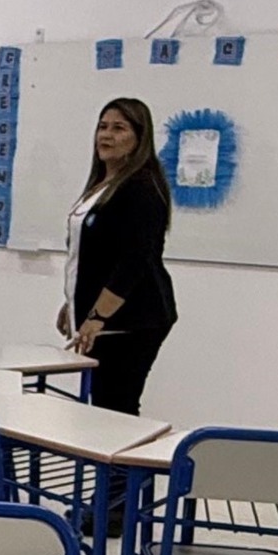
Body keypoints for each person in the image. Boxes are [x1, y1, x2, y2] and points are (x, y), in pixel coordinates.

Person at [56, 96, 178, 416]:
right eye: (102, 127)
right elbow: (92, 254)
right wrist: (73, 302)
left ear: (139, 138)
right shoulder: (103, 185)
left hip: (133, 318)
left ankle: (123, 455)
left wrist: (96, 317)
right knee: (104, 405)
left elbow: (133, 261)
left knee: (115, 408)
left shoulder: (141, 187)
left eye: (119, 128)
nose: (106, 136)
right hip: (107, 315)